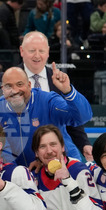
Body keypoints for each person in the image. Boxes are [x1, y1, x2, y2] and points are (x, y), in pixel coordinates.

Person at [0, 66, 93, 166]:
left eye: (20, 84)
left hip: (63, 167)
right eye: (9, 86)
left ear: (29, 85)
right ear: (2, 89)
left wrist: (68, 91)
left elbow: (82, 117)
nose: (15, 90)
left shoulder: (48, 101)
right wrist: (16, 172)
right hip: (24, 175)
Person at [20, 31, 92, 160]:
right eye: (32, 51)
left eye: (41, 51)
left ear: (48, 52)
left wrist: (84, 144)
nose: (37, 56)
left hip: (60, 155)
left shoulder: (60, 80)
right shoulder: (6, 78)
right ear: (22, 51)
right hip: (25, 158)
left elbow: (72, 115)